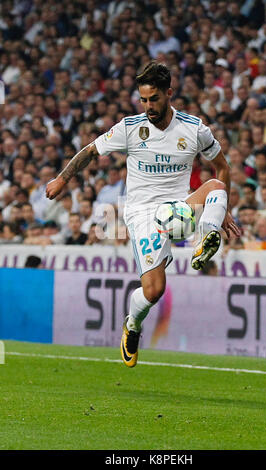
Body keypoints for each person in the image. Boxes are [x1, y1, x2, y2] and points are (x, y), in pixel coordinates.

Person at [46, 62, 240, 368]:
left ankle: (206, 238)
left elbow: (224, 168)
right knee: (154, 289)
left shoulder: (194, 129)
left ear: (169, 94)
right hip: (143, 215)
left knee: (216, 185)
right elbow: (90, 151)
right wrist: (62, 178)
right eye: (144, 99)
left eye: (154, 99)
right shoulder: (130, 128)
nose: (148, 106)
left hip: (177, 209)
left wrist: (222, 205)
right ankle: (132, 325)